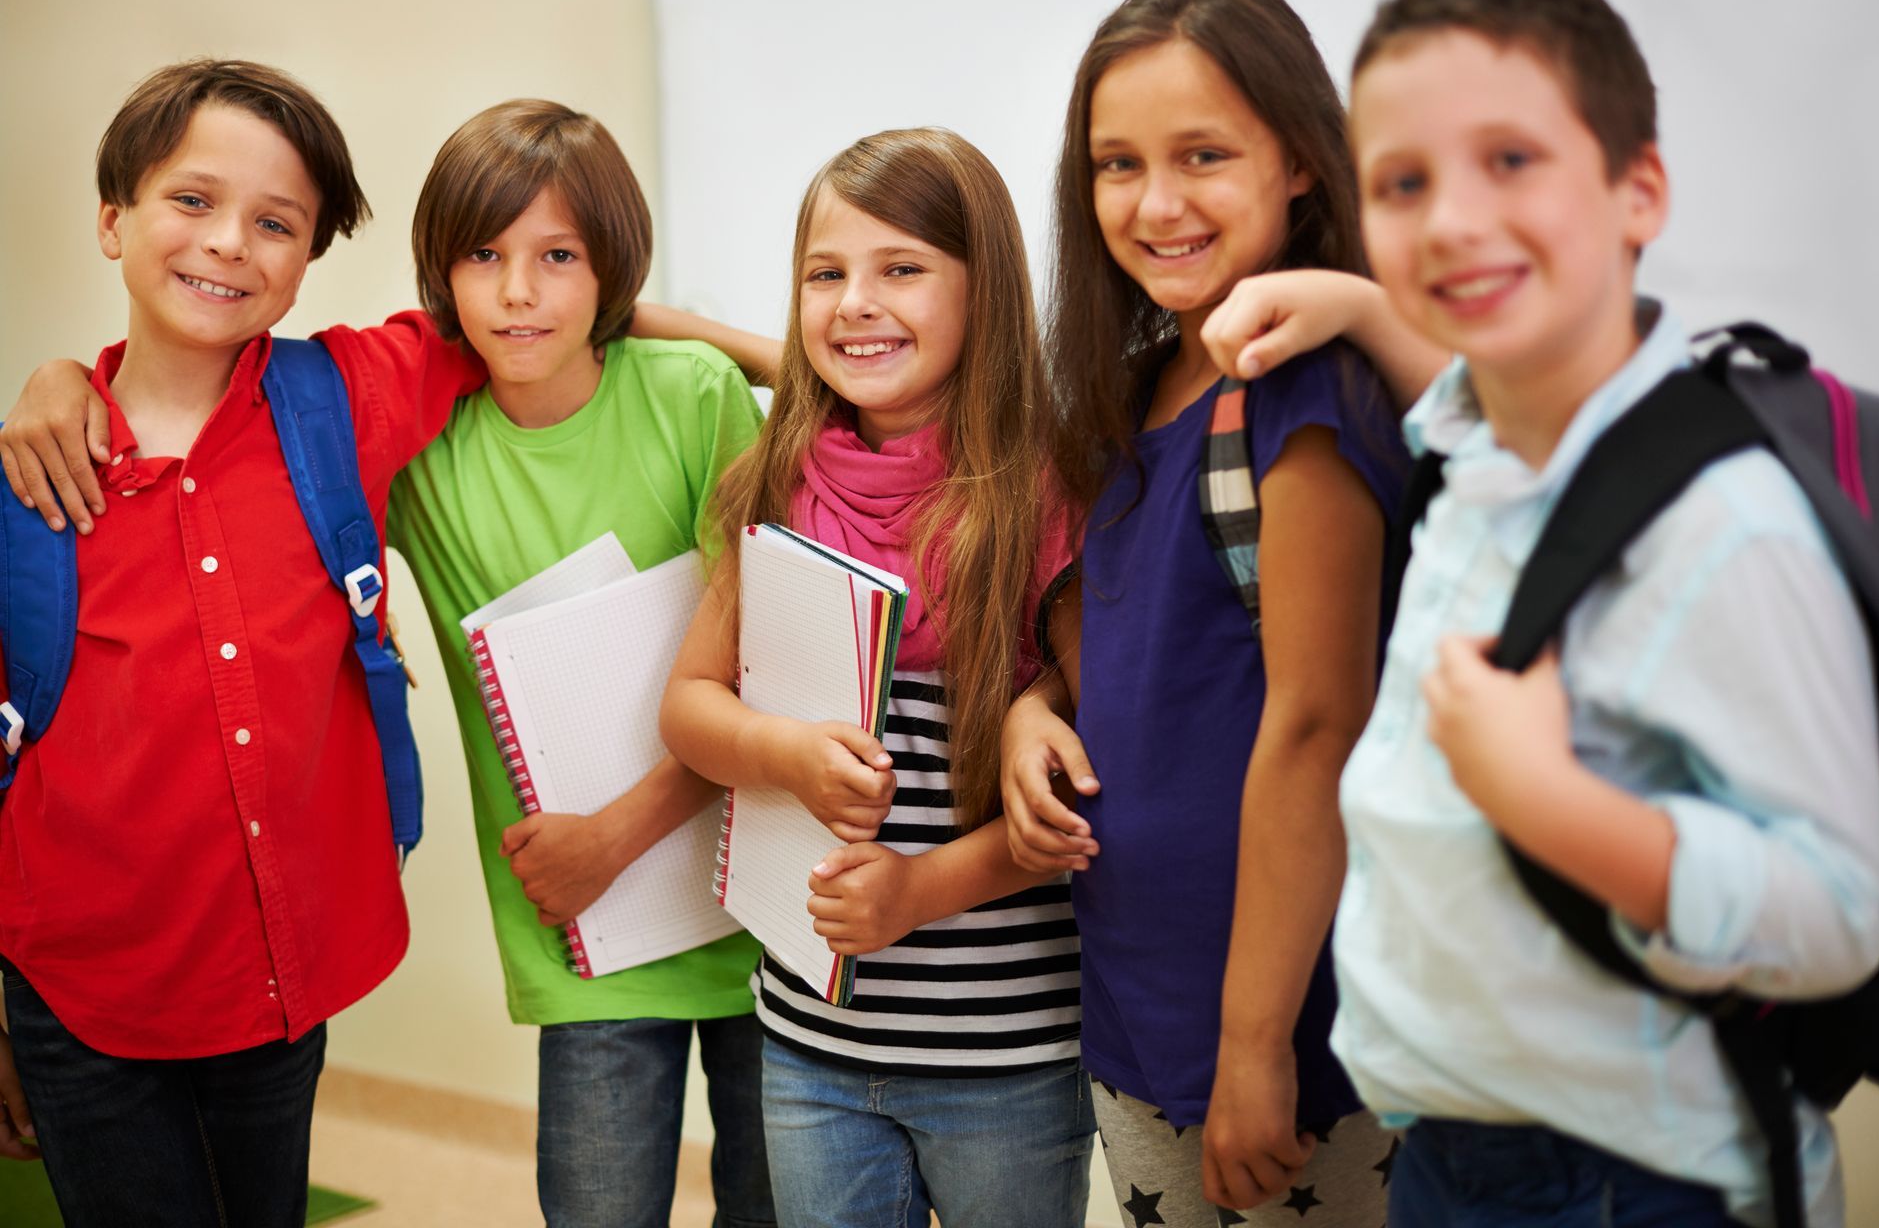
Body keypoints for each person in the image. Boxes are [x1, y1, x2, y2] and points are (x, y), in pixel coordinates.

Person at [1331, 0, 1879, 1226]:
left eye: (1511, 160)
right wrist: (1344, 305)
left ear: (1639, 188)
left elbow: (1838, 912)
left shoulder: (1720, 523)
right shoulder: (1475, 453)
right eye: (1402, 183)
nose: (1453, 221)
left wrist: (1545, 799)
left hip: (1627, 1181)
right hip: (1449, 1157)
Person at [0, 59, 486, 1226]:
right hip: (80, 1001)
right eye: (192, 201)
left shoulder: (349, 396)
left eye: (277, 223)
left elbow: (541, 315)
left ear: (310, 255)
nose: (230, 243)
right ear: (113, 218)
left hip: (282, 990)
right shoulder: (27, 480)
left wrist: (790, 365)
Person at [1000, 0, 1419, 1227]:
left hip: (1282, 1035)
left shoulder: (1304, 392)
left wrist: (1255, 1047)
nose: (1157, 201)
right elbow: (1128, 647)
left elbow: (1312, 722)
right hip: (1140, 1003)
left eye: (1202, 155)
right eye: (1118, 163)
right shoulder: (1135, 389)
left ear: (1298, 160)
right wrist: (1033, 709)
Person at [658, 127, 1090, 1228]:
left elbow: (1085, 794)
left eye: (901, 268)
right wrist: (784, 752)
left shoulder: (1051, 496)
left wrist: (914, 892)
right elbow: (690, 708)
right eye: (825, 273)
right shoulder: (777, 482)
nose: (856, 301)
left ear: (983, 290)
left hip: (1007, 1056)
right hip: (808, 1046)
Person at [387, 99, 774, 1228]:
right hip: (584, 935)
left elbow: (768, 658)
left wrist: (689, 325)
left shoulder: (694, 396)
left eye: (560, 256)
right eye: (485, 255)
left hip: (751, 894)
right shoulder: (420, 447)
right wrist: (61, 381)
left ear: (611, 272)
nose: (519, 292)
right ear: (442, 272)